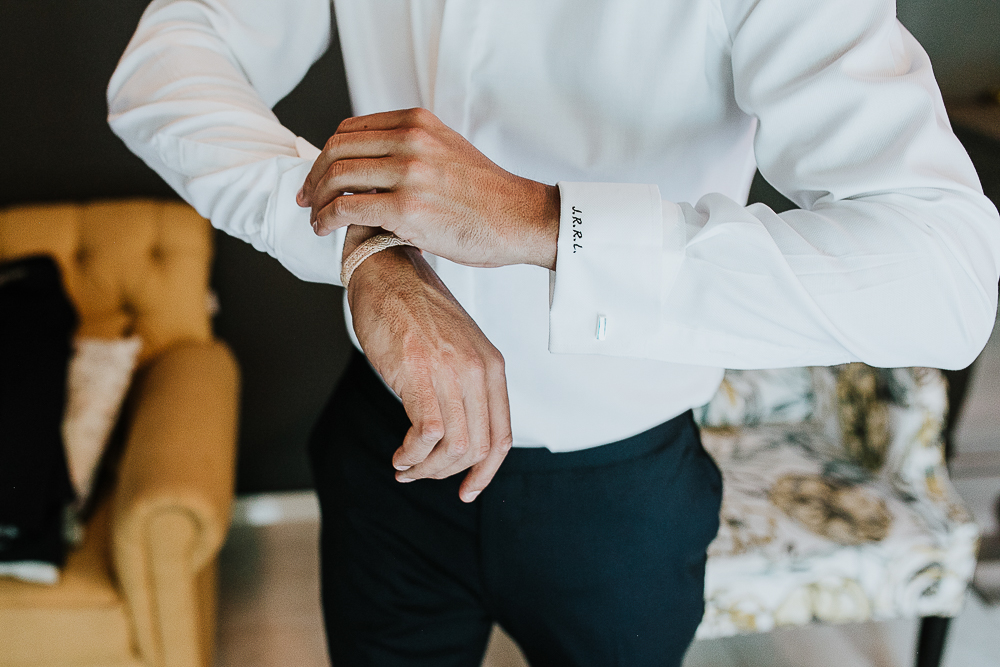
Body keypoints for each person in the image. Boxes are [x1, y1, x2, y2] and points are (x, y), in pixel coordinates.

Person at [108, 0, 1000, 664]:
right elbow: (164, 63)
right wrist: (367, 243)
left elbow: (945, 274)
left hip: (621, 499)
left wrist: (542, 220)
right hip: (387, 456)